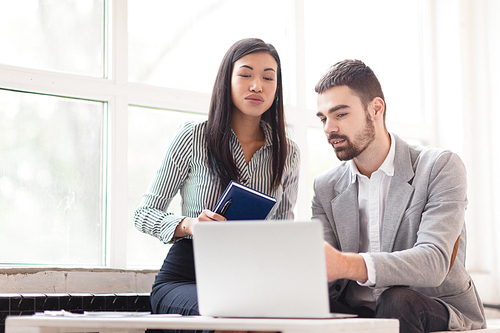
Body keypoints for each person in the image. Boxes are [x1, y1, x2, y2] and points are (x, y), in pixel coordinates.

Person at [133, 38, 300, 333]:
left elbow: (284, 232)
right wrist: (190, 224)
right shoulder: (194, 138)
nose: (257, 86)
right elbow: (143, 213)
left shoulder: (287, 153)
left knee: (278, 320)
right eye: (246, 75)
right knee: (232, 316)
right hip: (187, 275)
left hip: (249, 279)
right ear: (227, 80)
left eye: (268, 77)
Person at [312, 59, 486, 332]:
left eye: (340, 115)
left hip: (426, 303)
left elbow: (433, 261)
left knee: (396, 303)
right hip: (355, 312)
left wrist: (346, 264)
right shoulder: (325, 187)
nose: (328, 128)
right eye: (323, 118)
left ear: (375, 109)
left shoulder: (439, 167)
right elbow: (322, 271)